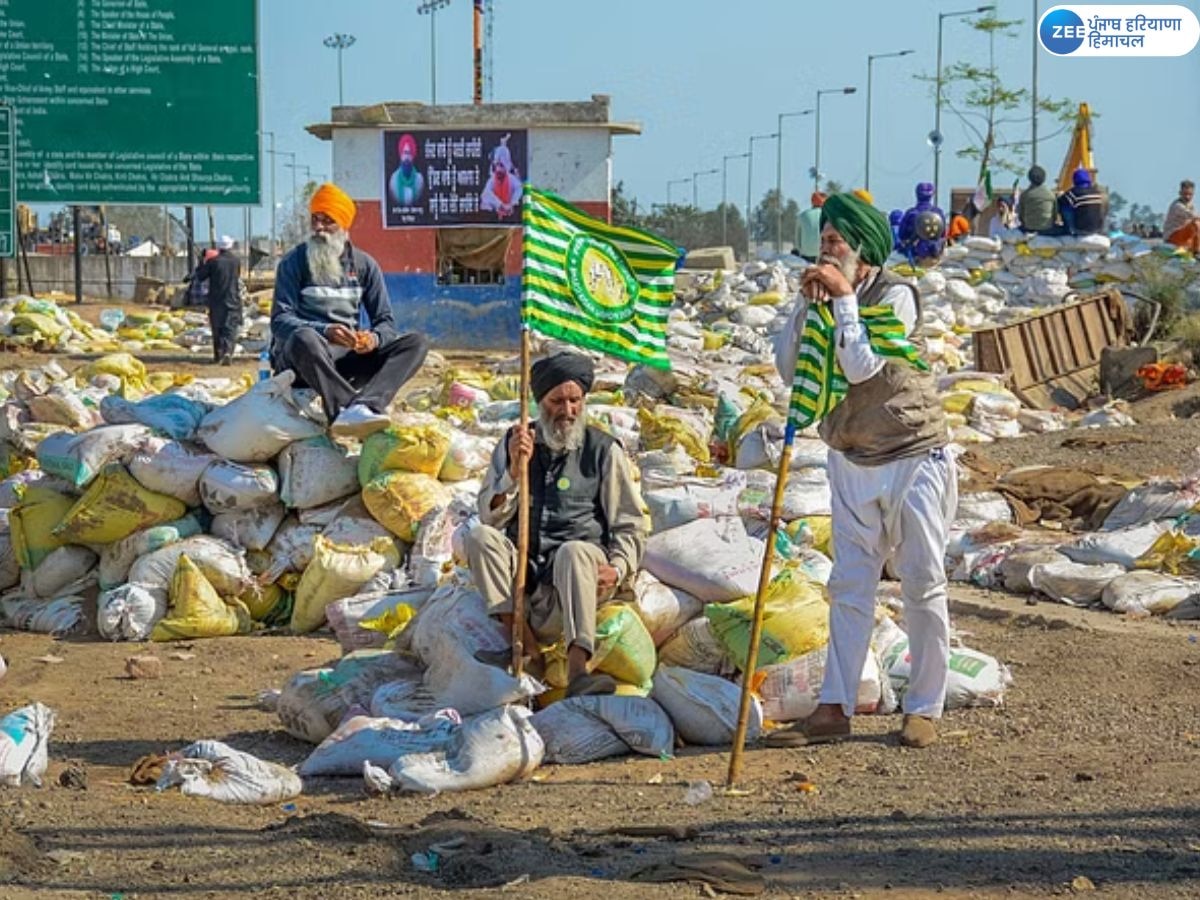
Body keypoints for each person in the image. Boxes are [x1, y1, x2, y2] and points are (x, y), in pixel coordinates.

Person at [768, 193, 955, 750]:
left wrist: (844, 302)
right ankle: (834, 706)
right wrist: (804, 308)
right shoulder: (822, 300)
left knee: (921, 580)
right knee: (849, 585)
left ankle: (924, 707)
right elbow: (787, 368)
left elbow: (861, 365)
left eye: (836, 243)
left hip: (912, 455)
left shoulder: (896, 296)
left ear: (863, 251)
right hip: (850, 457)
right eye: (823, 241)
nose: (826, 252)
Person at [466, 352, 647, 697]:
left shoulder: (603, 450)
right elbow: (489, 515)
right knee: (480, 537)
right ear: (539, 402)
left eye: (575, 400)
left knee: (574, 551)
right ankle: (526, 647)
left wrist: (620, 568)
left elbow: (630, 524)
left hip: (578, 585)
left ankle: (578, 669)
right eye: (557, 401)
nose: (567, 410)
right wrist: (514, 476)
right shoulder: (515, 443)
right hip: (527, 585)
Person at [271, 182, 429, 437]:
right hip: (302, 362)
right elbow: (280, 321)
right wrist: (326, 331)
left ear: (344, 226)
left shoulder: (365, 265)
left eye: (328, 221)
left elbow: (385, 322)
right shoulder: (294, 262)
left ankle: (368, 404)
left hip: (344, 363)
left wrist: (372, 339)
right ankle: (344, 408)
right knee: (305, 336)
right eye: (315, 219)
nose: (319, 228)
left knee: (416, 343)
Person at [192, 236, 242, 365]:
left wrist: (202, 262)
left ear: (219, 247)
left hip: (216, 300)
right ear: (230, 245)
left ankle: (218, 355)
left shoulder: (213, 262)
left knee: (217, 328)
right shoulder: (236, 261)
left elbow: (200, 276)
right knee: (230, 327)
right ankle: (228, 352)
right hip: (233, 298)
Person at [897, 182, 946, 265]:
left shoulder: (911, 213)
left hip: (916, 254)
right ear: (932, 195)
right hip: (936, 253)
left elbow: (902, 235)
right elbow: (943, 233)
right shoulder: (938, 213)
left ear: (917, 194)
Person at [480, 133, 523, 219]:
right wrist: (500, 205)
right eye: (497, 165)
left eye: (501, 166)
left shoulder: (512, 179)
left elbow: (519, 189)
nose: (498, 169)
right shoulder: (492, 180)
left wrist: (511, 204)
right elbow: (486, 194)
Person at [1056, 168, 1106, 236]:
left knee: (1065, 208)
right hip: (1097, 229)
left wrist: (1059, 195)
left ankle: (1069, 229)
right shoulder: (1096, 192)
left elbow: (1059, 203)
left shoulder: (1074, 192)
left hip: (1080, 230)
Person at [388, 134, 425, 207]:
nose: (407, 157)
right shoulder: (393, 179)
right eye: (405, 153)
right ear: (401, 155)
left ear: (413, 155)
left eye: (409, 153)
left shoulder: (419, 180)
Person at [1016, 165, 1056, 233]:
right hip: (1047, 228)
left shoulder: (1025, 195)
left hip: (1029, 228)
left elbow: (1021, 216)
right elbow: (1054, 215)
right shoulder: (1051, 195)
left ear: (1029, 178)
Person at [1164, 180, 1200, 253]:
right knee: (1196, 223)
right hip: (1173, 237)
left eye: (1190, 194)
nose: (1187, 197)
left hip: (1185, 236)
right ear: (1180, 193)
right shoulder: (1177, 206)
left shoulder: (1190, 205)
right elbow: (1193, 216)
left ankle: (1193, 249)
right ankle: (1196, 251)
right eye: (1185, 194)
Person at [797, 192, 826, 262]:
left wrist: (800, 250)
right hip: (823, 253)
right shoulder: (828, 215)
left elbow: (798, 238)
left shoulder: (802, 215)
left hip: (806, 254)